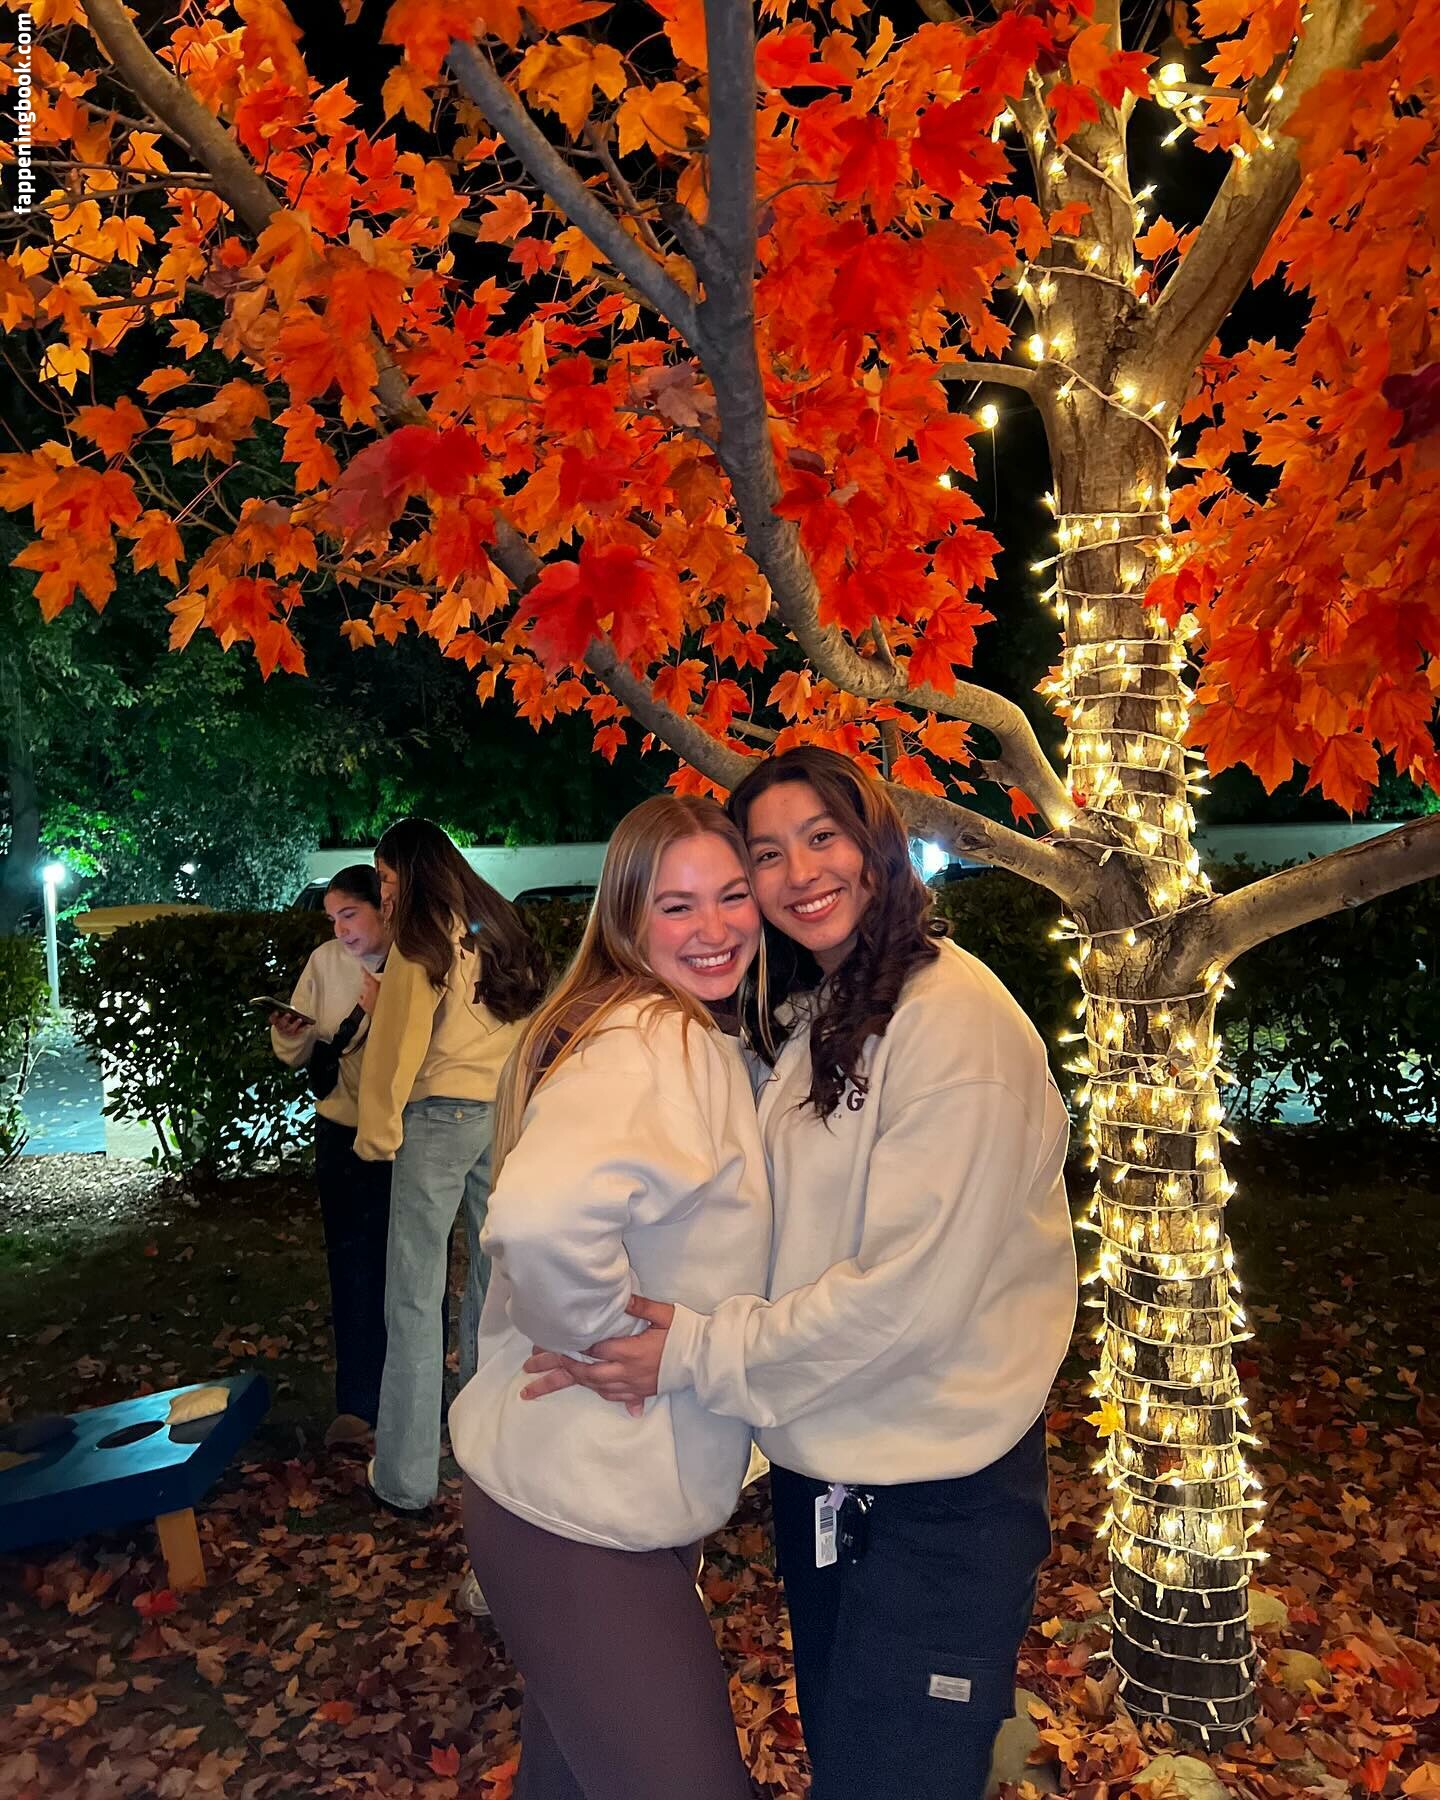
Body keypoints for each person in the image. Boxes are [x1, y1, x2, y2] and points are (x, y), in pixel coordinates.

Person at [523, 747, 1078, 1800]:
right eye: (767, 853)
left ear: (875, 843)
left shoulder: (956, 1026)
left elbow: (906, 1302)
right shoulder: (830, 1009)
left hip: (935, 1500)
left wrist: (694, 1351)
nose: (798, 873)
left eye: (822, 837)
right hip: (829, 1478)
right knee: (848, 1762)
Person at [449, 794, 770, 1800]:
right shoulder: (655, 1038)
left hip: (590, 1494)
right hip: (578, 1507)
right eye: (677, 906)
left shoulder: (661, 1028)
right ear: (627, 918)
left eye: (732, 895)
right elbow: (540, 1217)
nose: (714, 928)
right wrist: (597, 1338)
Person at [354, 818, 547, 1527]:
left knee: (413, 1295)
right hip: (503, 1114)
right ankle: (484, 1449)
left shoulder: (421, 943)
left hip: (437, 1117)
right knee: (494, 1290)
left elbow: (397, 1047)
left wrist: (377, 1133)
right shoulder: (497, 927)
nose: (383, 890)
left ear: (410, 871)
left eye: (386, 876)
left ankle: (405, 1477)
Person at [270, 865, 391, 1453]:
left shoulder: (414, 961)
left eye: (350, 914)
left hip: (404, 1134)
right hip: (341, 1130)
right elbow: (298, 1051)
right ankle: (357, 1402)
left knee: (411, 1271)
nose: (341, 930)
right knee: (350, 1266)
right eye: (332, 918)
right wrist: (291, 1031)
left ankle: (413, 1398)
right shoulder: (324, 962)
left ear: (383, 907)